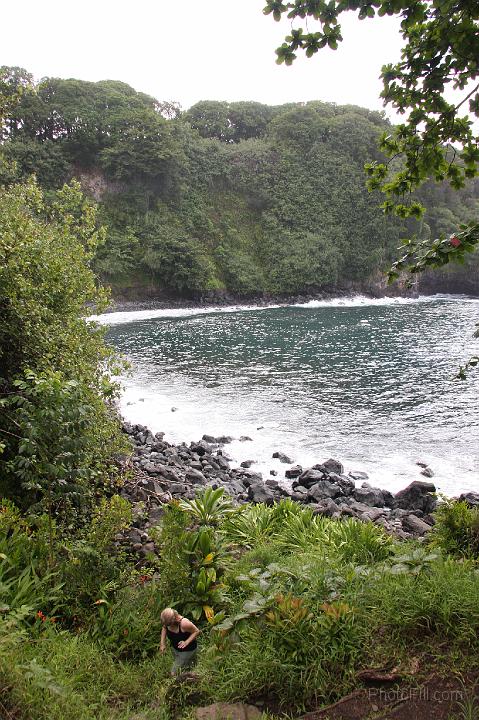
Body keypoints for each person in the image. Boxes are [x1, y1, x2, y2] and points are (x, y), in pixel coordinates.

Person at [160, 607, 200, 675]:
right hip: (176, 649)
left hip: (187, 650)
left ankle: (175, 682)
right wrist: (162, 643)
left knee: (173, 672)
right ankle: (191, 673)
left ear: (174, 620)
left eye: (169, 625)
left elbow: (197, 631)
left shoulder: (184, 623)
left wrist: (186, 642)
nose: (167, 626)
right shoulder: (166, 621)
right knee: (189, 666)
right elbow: (164, 628)